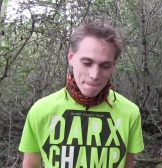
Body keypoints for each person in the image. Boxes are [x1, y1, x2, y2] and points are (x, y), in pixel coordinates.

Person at [18, 20, 144, 168]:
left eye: (105, 65)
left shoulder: (129, 112)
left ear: (114, 65)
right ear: (71, 57)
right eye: (87, 62)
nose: (94, 75)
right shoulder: (41, 110)